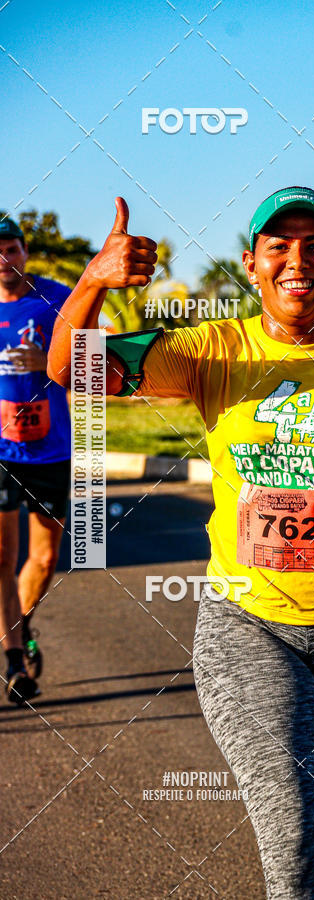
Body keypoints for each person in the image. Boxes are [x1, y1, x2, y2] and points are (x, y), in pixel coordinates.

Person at [48, 187, 314, 899]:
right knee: (293, 840)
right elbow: (75, 371)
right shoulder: (212, 349)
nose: (297, 260)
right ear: (251, 264)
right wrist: (94, 281)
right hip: (247, 627)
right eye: (278, 246)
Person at [0, 217, 71, 705]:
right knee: (2, 558)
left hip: (51, 447)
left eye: (12, 249)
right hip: (1, 449)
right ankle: (14, 663)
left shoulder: (58, 298)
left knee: (44, 558)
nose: (6, 262)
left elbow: (91, 353)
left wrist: (45, 359)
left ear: (26, 252)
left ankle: (22, 630)